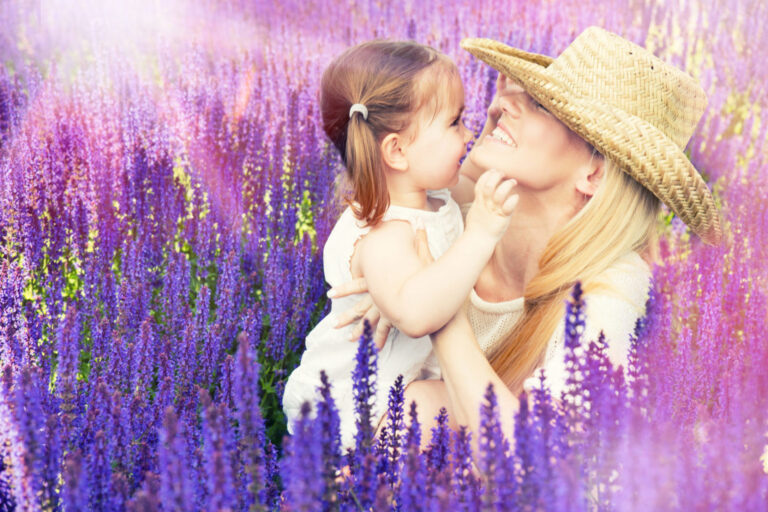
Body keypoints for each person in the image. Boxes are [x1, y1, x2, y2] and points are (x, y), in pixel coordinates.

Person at [330, 27, 722, 448]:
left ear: (595, 173)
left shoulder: (613, 286)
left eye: (540, 104)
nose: (500, 104)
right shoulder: (450, 218)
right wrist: (401, 284)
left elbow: (534, 464)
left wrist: (433, 313)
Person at [282, 40, 520, 449]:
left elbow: (483, 166)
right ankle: (346, 479)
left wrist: (503, 118)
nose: (468, 134)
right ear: (397, 151)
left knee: (468, 406)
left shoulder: (434, 198)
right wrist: (481, 232)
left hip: (399, 385)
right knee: (459, 411)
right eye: (455, 122)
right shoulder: (383, 234)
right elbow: (415, 314)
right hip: (360, 406)